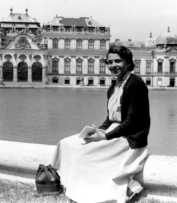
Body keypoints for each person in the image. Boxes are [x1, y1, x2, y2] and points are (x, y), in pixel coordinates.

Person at [51, 45, 150, 203]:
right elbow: (110, 118)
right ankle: (69, 186)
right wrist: (97, 131)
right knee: (67, 143)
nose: (113, 65)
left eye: (118, 61)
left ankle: (85, 191)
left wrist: (105, 136)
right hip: (114, 131)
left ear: (128, 62)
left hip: (130, 137)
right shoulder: (114, 86)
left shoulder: (136, 84)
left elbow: (133, 122)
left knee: (84, 152)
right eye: (110, 62)